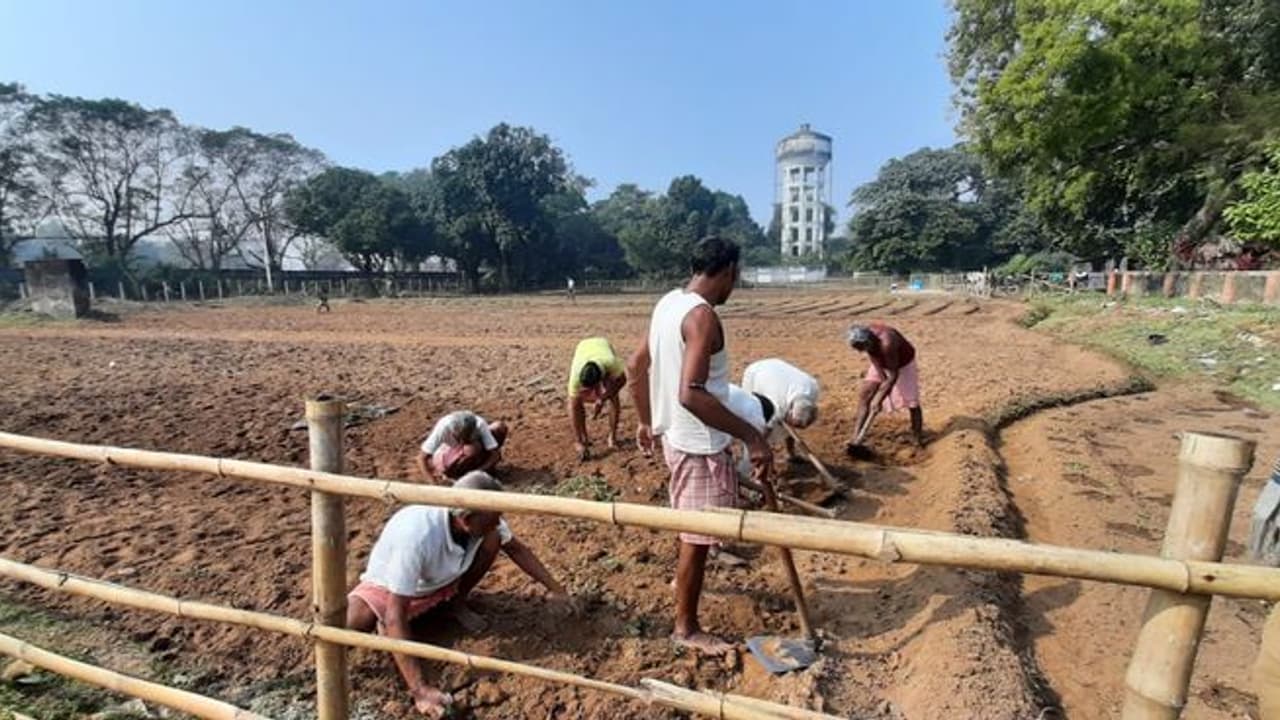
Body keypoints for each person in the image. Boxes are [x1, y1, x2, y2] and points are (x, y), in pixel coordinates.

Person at [626, 236, 772, 655]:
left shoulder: (668, 303)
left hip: (677, 436)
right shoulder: (702, 317)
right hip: (699, 444)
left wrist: (647, 420)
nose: (735, 284)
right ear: (728, 270)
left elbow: (637, 365)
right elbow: (692, 393)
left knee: (698, 532)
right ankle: (685, 628)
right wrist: (753, 436)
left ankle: (687, 585)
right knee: (697, 538)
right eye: (736, 275)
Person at [346, 471, 573, 719]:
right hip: (390, 590)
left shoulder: (485, 519)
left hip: (443, 583)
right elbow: (395, 614)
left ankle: (455, 602)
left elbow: (517, 550)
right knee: (354, 623)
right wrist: (420, 689)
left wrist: (556, 589)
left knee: (494, 539)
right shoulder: (416, 535)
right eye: (493, 519)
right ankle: (393, 628)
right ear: (465, 520)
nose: (498, 523)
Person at [846, 322, 924, 451]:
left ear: (869, 341)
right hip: (882, 360)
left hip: (902, 364)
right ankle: (856, 437)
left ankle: (917, 439)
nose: (861, 352)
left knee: (912, 402)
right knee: (865, 394)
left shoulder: (887, 343)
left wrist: (879, 398)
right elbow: (875, 360)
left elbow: (893, 375)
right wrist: (881, 395)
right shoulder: (868, 339)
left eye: (863, 347)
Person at [741, 358, 820, 464]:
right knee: (755, 421)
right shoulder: (777, 407)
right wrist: (760, 449)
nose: (796, 428)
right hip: (755, 374)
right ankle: (753, 461)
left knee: (786, 427)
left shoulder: (813, 388)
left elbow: (808, 413)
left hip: (777, 371)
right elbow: (765, 432)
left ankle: (791, 454)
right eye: (794, 424)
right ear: (789, 411)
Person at [567, 337, 628, 460]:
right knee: (576, 402)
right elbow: (573, 406)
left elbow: (622, 381)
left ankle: (612, 436)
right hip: (583, 347)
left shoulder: (611, 363)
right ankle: (582, 440)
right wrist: (578, 442)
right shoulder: (575, 376)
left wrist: (602, 398)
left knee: (613, 396)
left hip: (603, 345)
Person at [416, 411, 508, 483]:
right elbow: (421, 458)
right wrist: (433, 483)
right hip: (447, 460)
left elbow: (495, 454)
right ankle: (458, 475)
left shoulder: (479, 424)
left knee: (498, 428)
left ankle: (484, 471)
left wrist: (479, 471)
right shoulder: (444, 427)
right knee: (472, 449)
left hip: (467, 455)